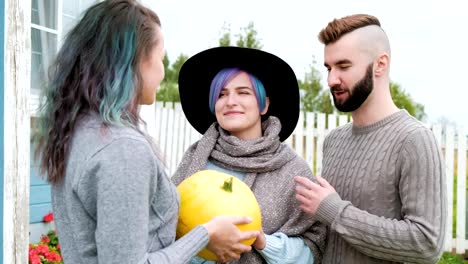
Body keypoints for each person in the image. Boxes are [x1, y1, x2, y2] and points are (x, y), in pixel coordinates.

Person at [33, 1, 259, 263]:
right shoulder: (121, 148)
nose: (163, 72)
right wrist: (205, 234)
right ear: (137, 61)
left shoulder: (77, 132)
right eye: (160, 57)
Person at [294, 14, 447, 264]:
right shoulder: (334, 141)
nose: (332, 80)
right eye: (328, 68)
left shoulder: (414, 140)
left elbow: (426, 244)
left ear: (380, 64)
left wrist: (334, 211)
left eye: (343, 66)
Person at [172, 46, 327, 264]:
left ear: (264, 104)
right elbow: (164, 226)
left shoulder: (292, 170)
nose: (230, 101)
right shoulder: (196, 157)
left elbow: (312, 248)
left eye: (243, 92)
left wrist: (263, 241)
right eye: (222, 94)